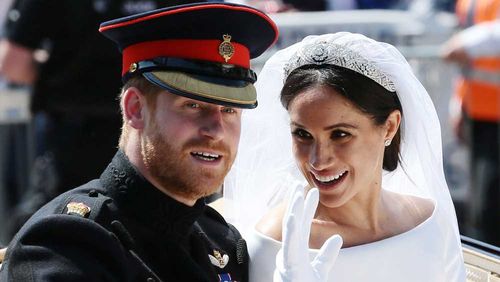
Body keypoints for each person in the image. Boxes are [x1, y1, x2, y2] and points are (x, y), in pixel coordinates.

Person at [0, 2, 278, 281]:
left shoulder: (222, 242)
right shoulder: (67, 246)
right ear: (135, 108)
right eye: (193, 105)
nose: (216, 130)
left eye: (230, 110)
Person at [222, 32, 466, 281]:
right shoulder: (277, 241)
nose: (318, 160)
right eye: (303, 134)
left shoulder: (430, 223)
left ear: (389, 127)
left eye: (340, 134)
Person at [0, 0, 205, 242]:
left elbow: (13, 63)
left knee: (53, 240)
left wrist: (60, 74)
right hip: (162, 132)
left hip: (75, 139)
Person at [441, 0, 500, 246]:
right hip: (480, 114)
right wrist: (459, 105)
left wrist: (467, 44)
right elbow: (465, 67)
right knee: (482, 208)